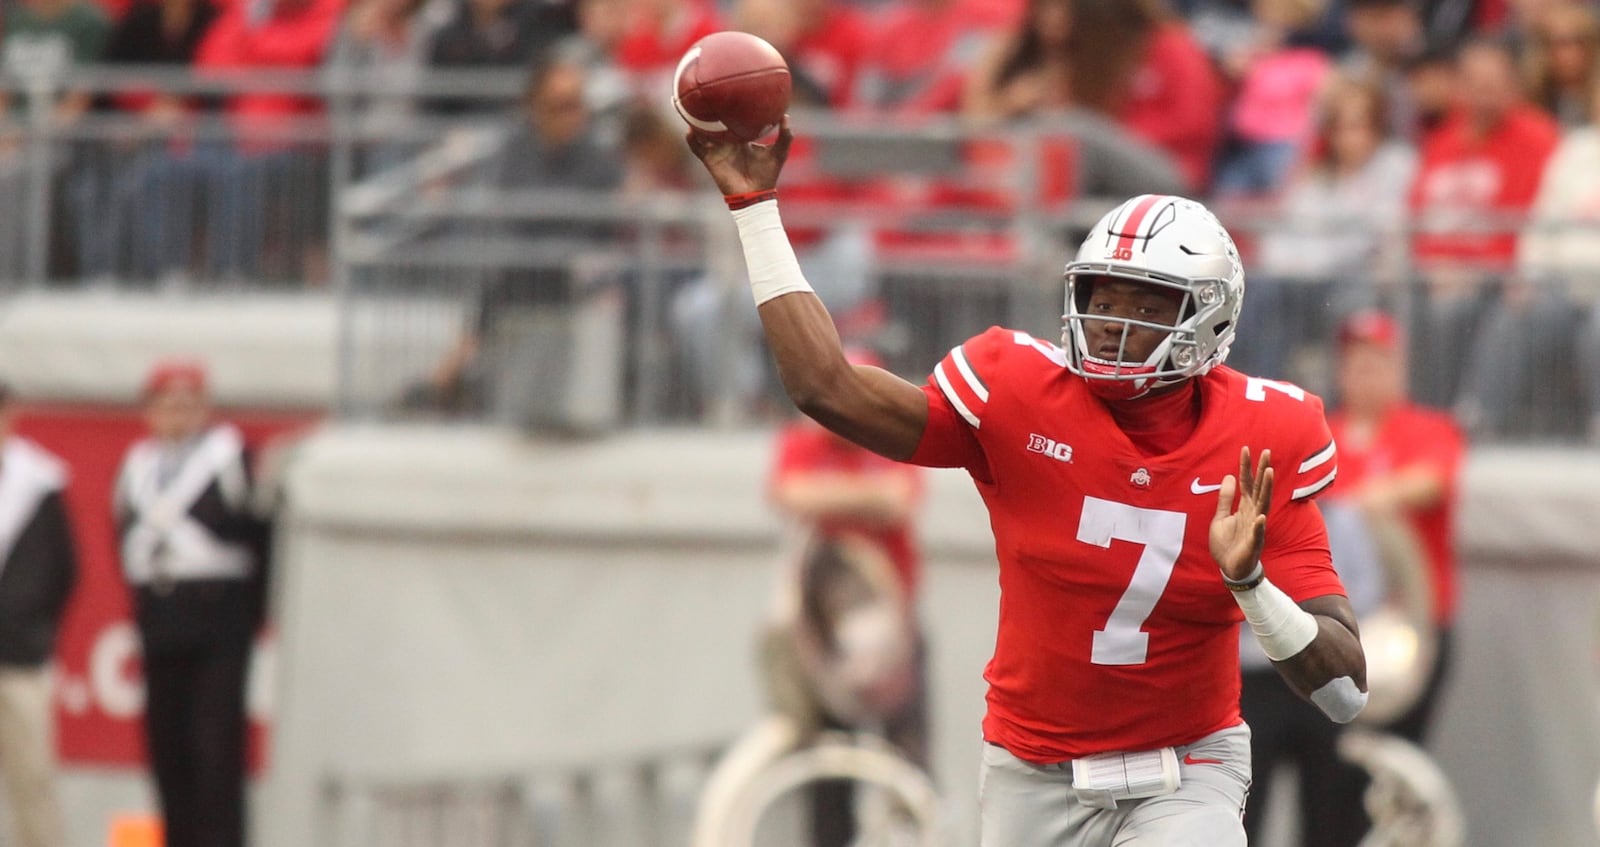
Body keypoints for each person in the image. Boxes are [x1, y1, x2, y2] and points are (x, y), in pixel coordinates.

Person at [685, 118, 1368, 844]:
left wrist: (1253, 586)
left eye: (1147, 305)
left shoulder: (1261, 442)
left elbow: (1344, 689)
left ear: (1211, 317)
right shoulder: (1016, 391)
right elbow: (827, 388)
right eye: (1104, 296)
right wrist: (754, 209)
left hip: (1186, 764)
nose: (1113, 322)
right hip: (1032, 769)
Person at [766, 349, 928, 847]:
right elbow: (788, 494)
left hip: (895, 632)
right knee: (825, 767)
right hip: (824, 639)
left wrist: (830, 493)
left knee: (909, 756)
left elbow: (898, 499)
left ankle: (914, 830)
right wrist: (865, 496)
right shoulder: (801, 443)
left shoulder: (895, 440)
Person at [114, 361, 271, 847]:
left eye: (188, 403)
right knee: (169, 753)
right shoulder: (137, 466)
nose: (177, 414)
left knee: (216, 754)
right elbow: (122, 536)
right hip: (160, 624)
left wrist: (249, 612)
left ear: (205, 408)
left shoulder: (230, 459)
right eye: (167, 403)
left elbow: (262, 540)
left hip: (217, 624)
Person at [0, 384, 78, 847]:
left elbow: (63, 568)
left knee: (32, 782)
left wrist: (29, 623)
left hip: (20, 656)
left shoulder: (39, 481)